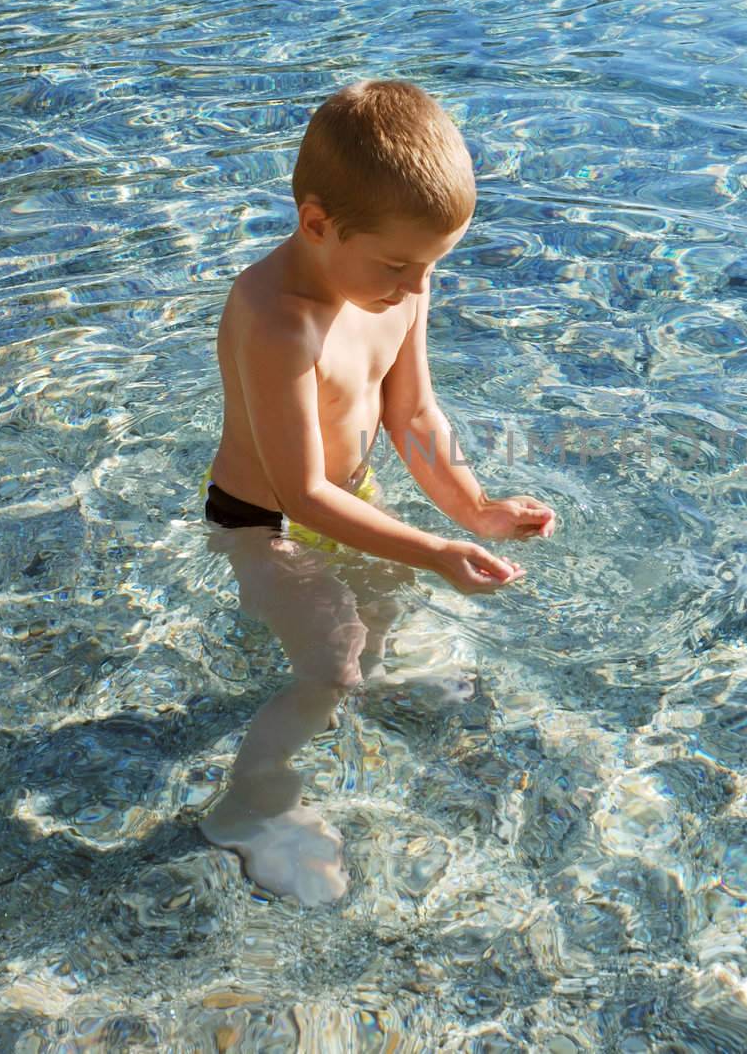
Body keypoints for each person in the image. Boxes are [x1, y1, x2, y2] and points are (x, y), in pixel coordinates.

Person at [196, 79, 558, 903]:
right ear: (317, 223)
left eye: (431, 263)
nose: (414, 283)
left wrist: (472, 506)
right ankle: (252, 804)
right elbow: (302, 489)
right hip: (269, 521)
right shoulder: (278, 317)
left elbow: (414, 412)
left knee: (384, 618)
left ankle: (366, 687)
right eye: (398, 262)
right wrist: (434, 549)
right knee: (331, 666)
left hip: (347, 494)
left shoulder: (401, 284)